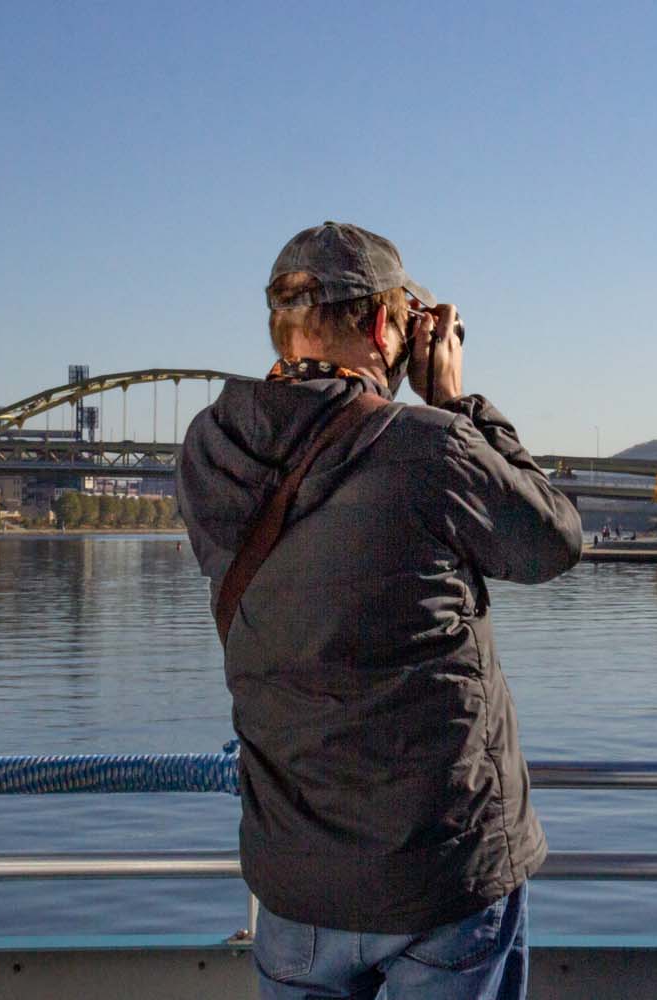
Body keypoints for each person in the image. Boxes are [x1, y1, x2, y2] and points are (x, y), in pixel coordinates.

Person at [178, 222, 581, 1000]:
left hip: (294, 883)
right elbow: (553, 541)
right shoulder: (431, 447)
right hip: (440, 875)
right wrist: (459, 403)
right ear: (377, 325)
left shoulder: (206, 449)